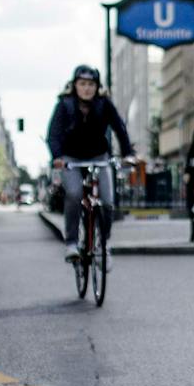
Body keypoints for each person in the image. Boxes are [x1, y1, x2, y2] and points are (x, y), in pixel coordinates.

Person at [46, 64, 133, 260]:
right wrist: (57, 157)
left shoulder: (104, 103)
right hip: (71, 158)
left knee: (108, 202)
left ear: (97, 87)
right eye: (82, 84)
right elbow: (54, 134)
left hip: (99, 156)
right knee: (75, 194)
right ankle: (71, 243)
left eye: (91, 84)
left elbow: (119, 127)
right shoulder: (64, 104)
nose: (87, 88)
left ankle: (104, 244)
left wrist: (128, 154)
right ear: (75, 85)